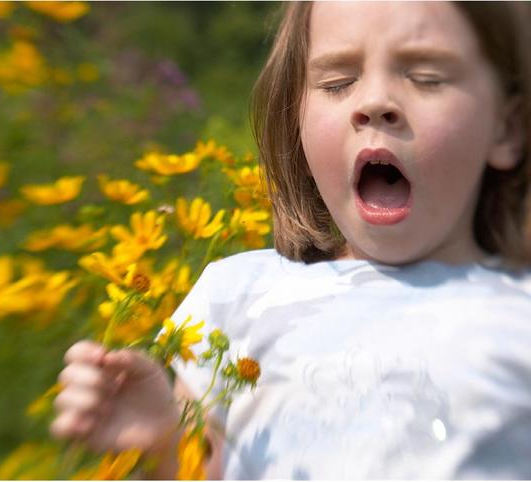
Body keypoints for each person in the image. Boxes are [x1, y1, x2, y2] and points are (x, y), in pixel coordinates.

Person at [51, 2, 531, 478]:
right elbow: (203, 468)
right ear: (295, 116)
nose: (374, 103)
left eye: (427, 77)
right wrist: (161, 444)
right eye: (337, 83)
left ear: (507, 127)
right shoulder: (238, 295)